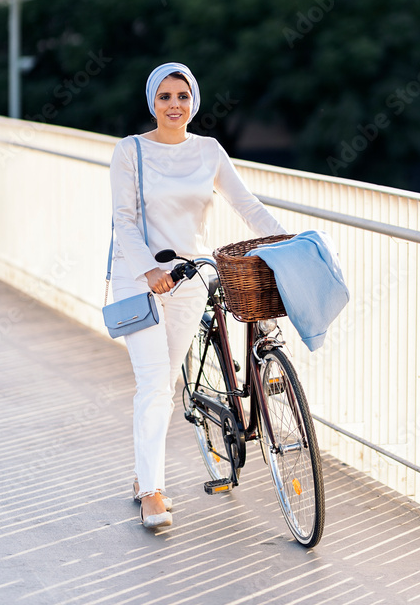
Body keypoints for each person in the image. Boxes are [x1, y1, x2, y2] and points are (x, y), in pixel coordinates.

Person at [109, 61, 287, 529]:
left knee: (166, 383)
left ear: (194, 101)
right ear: (152, 102)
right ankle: (151, 492)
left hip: (189, 278)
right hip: (139, 278)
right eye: (165, 97)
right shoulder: (130, 151)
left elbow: (246, 204)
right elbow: (123, 219)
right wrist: (148, 269)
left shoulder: (209, 150)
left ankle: (143, 472)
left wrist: (285, 241)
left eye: (182, 96)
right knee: (153, 384)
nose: (175, 105)